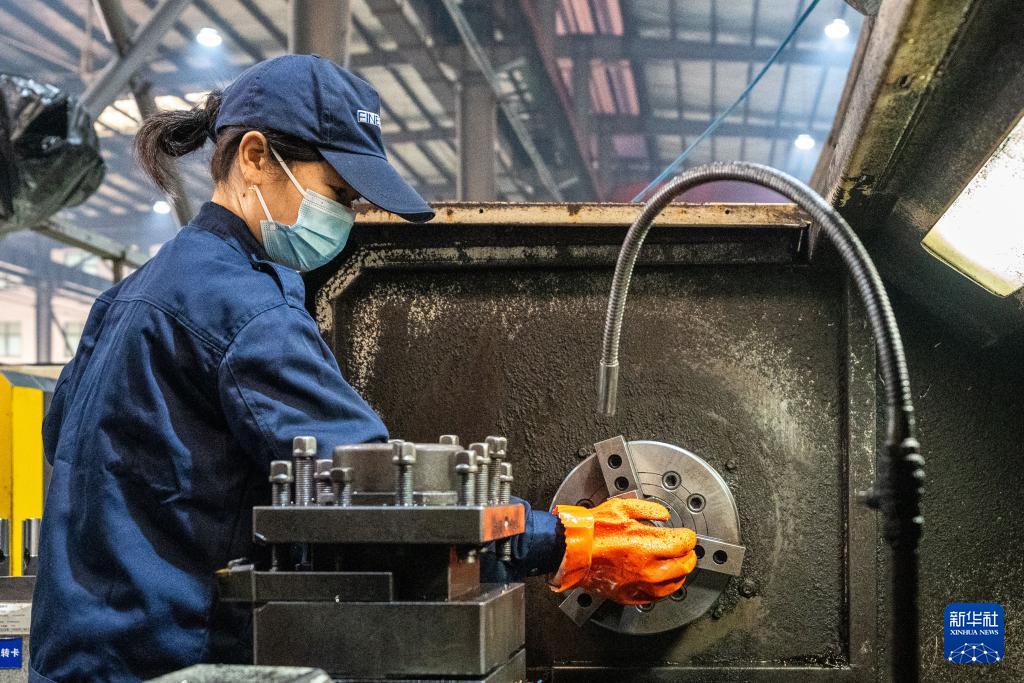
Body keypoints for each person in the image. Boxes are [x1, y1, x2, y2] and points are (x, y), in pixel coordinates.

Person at [29, 55, 697, 683]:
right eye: (338, 192)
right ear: (255, 156)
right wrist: (569, 541)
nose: (344, 219)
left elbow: (61, 445)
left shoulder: (131, 295)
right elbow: (377, 506)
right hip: (172, 664)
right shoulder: (246, 310)